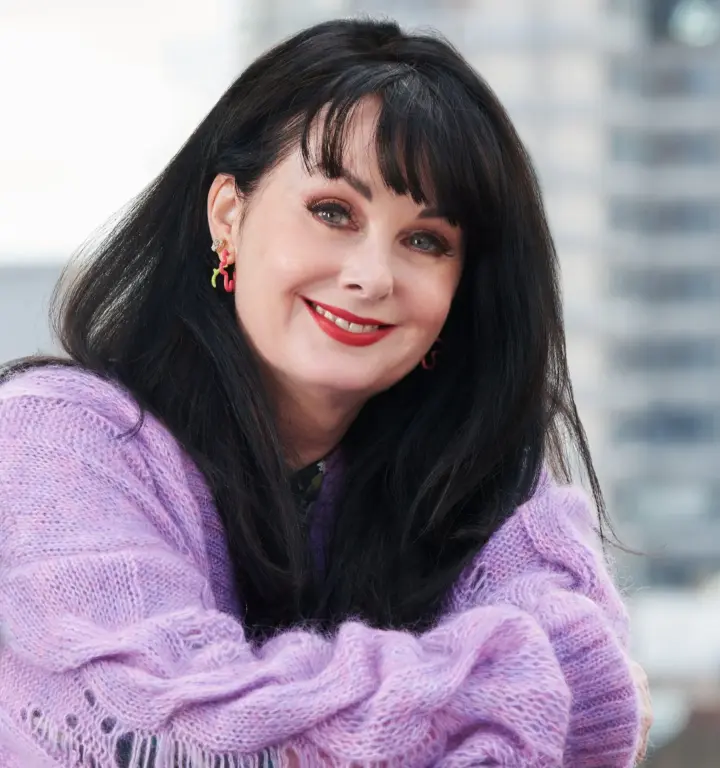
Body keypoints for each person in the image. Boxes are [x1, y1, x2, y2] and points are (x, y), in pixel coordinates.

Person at [0, 17, 652, 767]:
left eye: (426, 241)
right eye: (333, 212)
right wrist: (519, 691)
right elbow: (179, 730)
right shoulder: (60, 444)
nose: (372, 276)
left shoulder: (487, 485)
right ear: (229, 216)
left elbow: (579, 671)